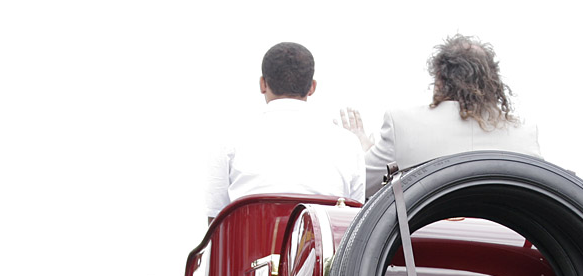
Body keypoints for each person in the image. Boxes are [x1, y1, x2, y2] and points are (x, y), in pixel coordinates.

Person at [341, 34, 542, 197]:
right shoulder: (525, 136)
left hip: (420, 245)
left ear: (439, 79)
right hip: (504, 244)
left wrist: (362, 149)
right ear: (493, 82)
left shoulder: (403, 125)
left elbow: (360, 186)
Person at [204, 41, 365, 222]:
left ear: (262, 84)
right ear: (312, 87)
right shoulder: (348, 143)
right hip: (321, 250)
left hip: (249, 248)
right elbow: (354, 220)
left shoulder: (230, 139)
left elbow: (215, 222)